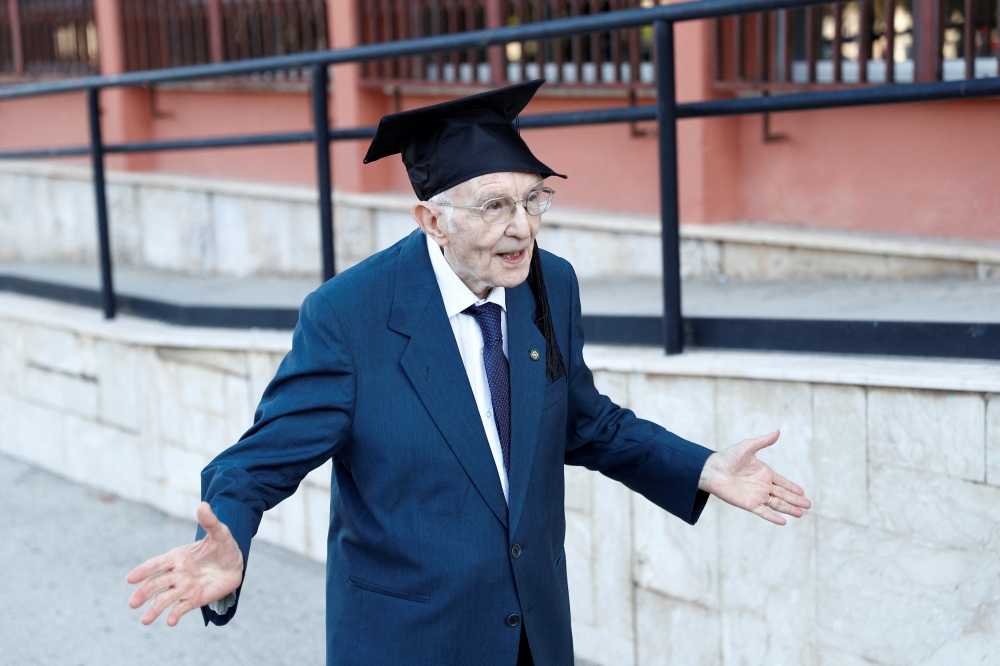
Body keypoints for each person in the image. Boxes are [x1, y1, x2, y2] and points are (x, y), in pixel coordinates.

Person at [126, 80, 810, 666]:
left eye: (531, 200)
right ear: (432, 220)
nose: (521, 229)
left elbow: (584, 420)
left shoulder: (551, 285)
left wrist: (703, 468)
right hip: (411, 641)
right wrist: (228, 539)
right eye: (494, 206)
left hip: (531, 634)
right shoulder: (349, 316)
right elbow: (259, 461)